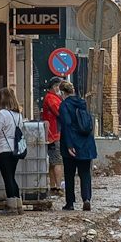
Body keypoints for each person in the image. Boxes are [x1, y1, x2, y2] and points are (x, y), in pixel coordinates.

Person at [57, 79, 98, 211]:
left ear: (62, 92)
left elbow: (67, 125)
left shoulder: (64, 105)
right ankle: (86, 198)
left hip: (72, 143)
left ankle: (70, 202)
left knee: (69, 174)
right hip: (86, 143)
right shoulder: (82, 103)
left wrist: (69, 145)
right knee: (85, 173)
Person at [0, 87, 27, 206]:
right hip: (15, 149)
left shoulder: (2, 113)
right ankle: (18, 203)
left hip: (4, 149)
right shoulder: (18, 115)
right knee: (12, 176)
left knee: (7, 178)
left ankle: (11, 204)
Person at [41, 77, 65, 196]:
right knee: (57, 162)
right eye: (59, 87)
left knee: (52, 162)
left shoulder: (51, 97)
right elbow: (60, 113)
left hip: (51, 134)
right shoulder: (52, 98)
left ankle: (53, 186)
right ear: (55, 87)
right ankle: (58, 186)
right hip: (55, 134)